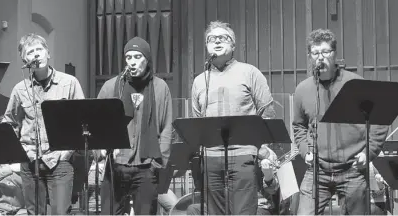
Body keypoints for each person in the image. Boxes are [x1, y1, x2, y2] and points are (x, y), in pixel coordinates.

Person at [293, 28, 389, 215]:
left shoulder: (355, 84)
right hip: (317, 170)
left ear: (334, 53)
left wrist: (369, 152)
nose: (320, 57)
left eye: (325, 52)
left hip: (352, 169)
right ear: (310, 56)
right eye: (315, 53)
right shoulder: (302, 90)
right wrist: (305, 151)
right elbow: (298, 126)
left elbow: (379, 120)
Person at [191, 20, 276, 215]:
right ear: (206, 46)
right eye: (212, 39)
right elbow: (197, 120)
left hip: (243, 155)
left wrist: (261, 148)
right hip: (211, 158)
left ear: (233, 45)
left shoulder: (250, 72)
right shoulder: (199, 80)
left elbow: (267, 113)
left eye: (223, 38)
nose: (217, 41)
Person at [3, 33, 85, 214]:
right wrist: (17, 152)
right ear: (24, 59)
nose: (36, 55)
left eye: (39, 49)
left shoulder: (69, 83)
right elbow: (9, 122)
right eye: (30, 52)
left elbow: (82, 121)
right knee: (34, 213)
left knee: (60, 213)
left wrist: (66, 153)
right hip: (30, 162)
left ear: (48, 53)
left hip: (60, 161)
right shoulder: (20, 89)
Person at [96, 36, 173, 215]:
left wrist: (157, 164)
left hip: (146, 166)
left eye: (137, 57)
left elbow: (167, 127)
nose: (132, 62)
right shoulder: (111, 87)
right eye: (129, 57)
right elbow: (96, 123)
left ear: (147, 60)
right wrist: (99, 153)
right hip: (115, 166)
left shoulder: (160, 87)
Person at [186, 145, 280, 215]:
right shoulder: (215, 150)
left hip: (256, 204)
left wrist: (268, 176)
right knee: (193, 210)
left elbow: (274, 190)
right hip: (223, 203)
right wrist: (195, 164)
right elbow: (201, 188)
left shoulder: (265, 152)